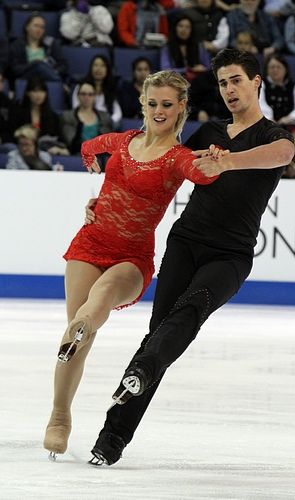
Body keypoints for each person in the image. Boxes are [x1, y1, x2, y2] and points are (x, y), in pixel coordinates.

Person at [88, 47, 295, 466]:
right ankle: (112, 438)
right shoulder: (206, 133)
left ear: (256, 82)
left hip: (231, 253)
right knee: (160, 332)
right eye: (222, 83)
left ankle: (142, 370)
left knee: (190, 311)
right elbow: (157, 163)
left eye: (236, 80)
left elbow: (283, 156)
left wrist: (227, 163)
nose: (229, 89)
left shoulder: (274, 137)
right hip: (185, 242)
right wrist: (107, 202)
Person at [43, 70, 221, 460]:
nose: (159, 110)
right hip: (89, 243)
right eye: (153, 103)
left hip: (131, 257)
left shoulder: (178, 158)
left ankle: (85, 323)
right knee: (77, 340)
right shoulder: (122, 142)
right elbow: (90, 146)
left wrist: (217, 160)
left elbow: (202, 175)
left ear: (181, 109)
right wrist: (94, 182)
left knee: (101, 298)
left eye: (167, 105)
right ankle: (60, 417)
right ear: (143, 103)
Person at [9, 12, 67, 82]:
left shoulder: (51, 43)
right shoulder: (17, 45)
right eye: (36, 26)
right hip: (27, 79)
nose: (39, 30)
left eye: (42, 27)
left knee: (41, 66)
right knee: (38, 65)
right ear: (27, 27)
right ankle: (59, 83)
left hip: (48, 78)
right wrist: (34, 64)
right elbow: (15, 69)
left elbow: (63, 65)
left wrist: (52, 72)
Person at [60, 81, 113, 155]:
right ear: (78, 96)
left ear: (94, 97)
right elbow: (70, 143)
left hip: (100, 158)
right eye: (83, 94)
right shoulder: (68, 116)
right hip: (77, 155)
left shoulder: (105, 117)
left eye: (90, 94)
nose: (86, 97)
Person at [71, 54, 122, 129]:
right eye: (95, 65)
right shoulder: (81, 87)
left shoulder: (110, 89)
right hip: (84, 122)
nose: (98, 69)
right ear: (91, 68)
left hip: (105, 124)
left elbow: (117, 113)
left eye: (102, 66)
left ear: (107, 69)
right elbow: (75, 107)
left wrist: (108, 121)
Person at [259, 52, 295, 125]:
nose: (275, 70)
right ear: (267, 69)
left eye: (278, 67)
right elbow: (260, 105)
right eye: (272, 67)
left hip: (289, 125)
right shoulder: (261, 85)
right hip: (266, 125)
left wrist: (289, 117)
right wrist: (270, 119)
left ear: (285, 69)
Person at [160, 14, 211, 79]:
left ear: (191, 30)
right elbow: (165, 71)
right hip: (176, 82)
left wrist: (202, 69)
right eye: (180, 26)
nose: (184, 29)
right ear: (175, 28)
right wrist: (188, 70)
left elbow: (208, 68)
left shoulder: (199, 46)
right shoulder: (166, 48)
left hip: (198, 82)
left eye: (187, 27)